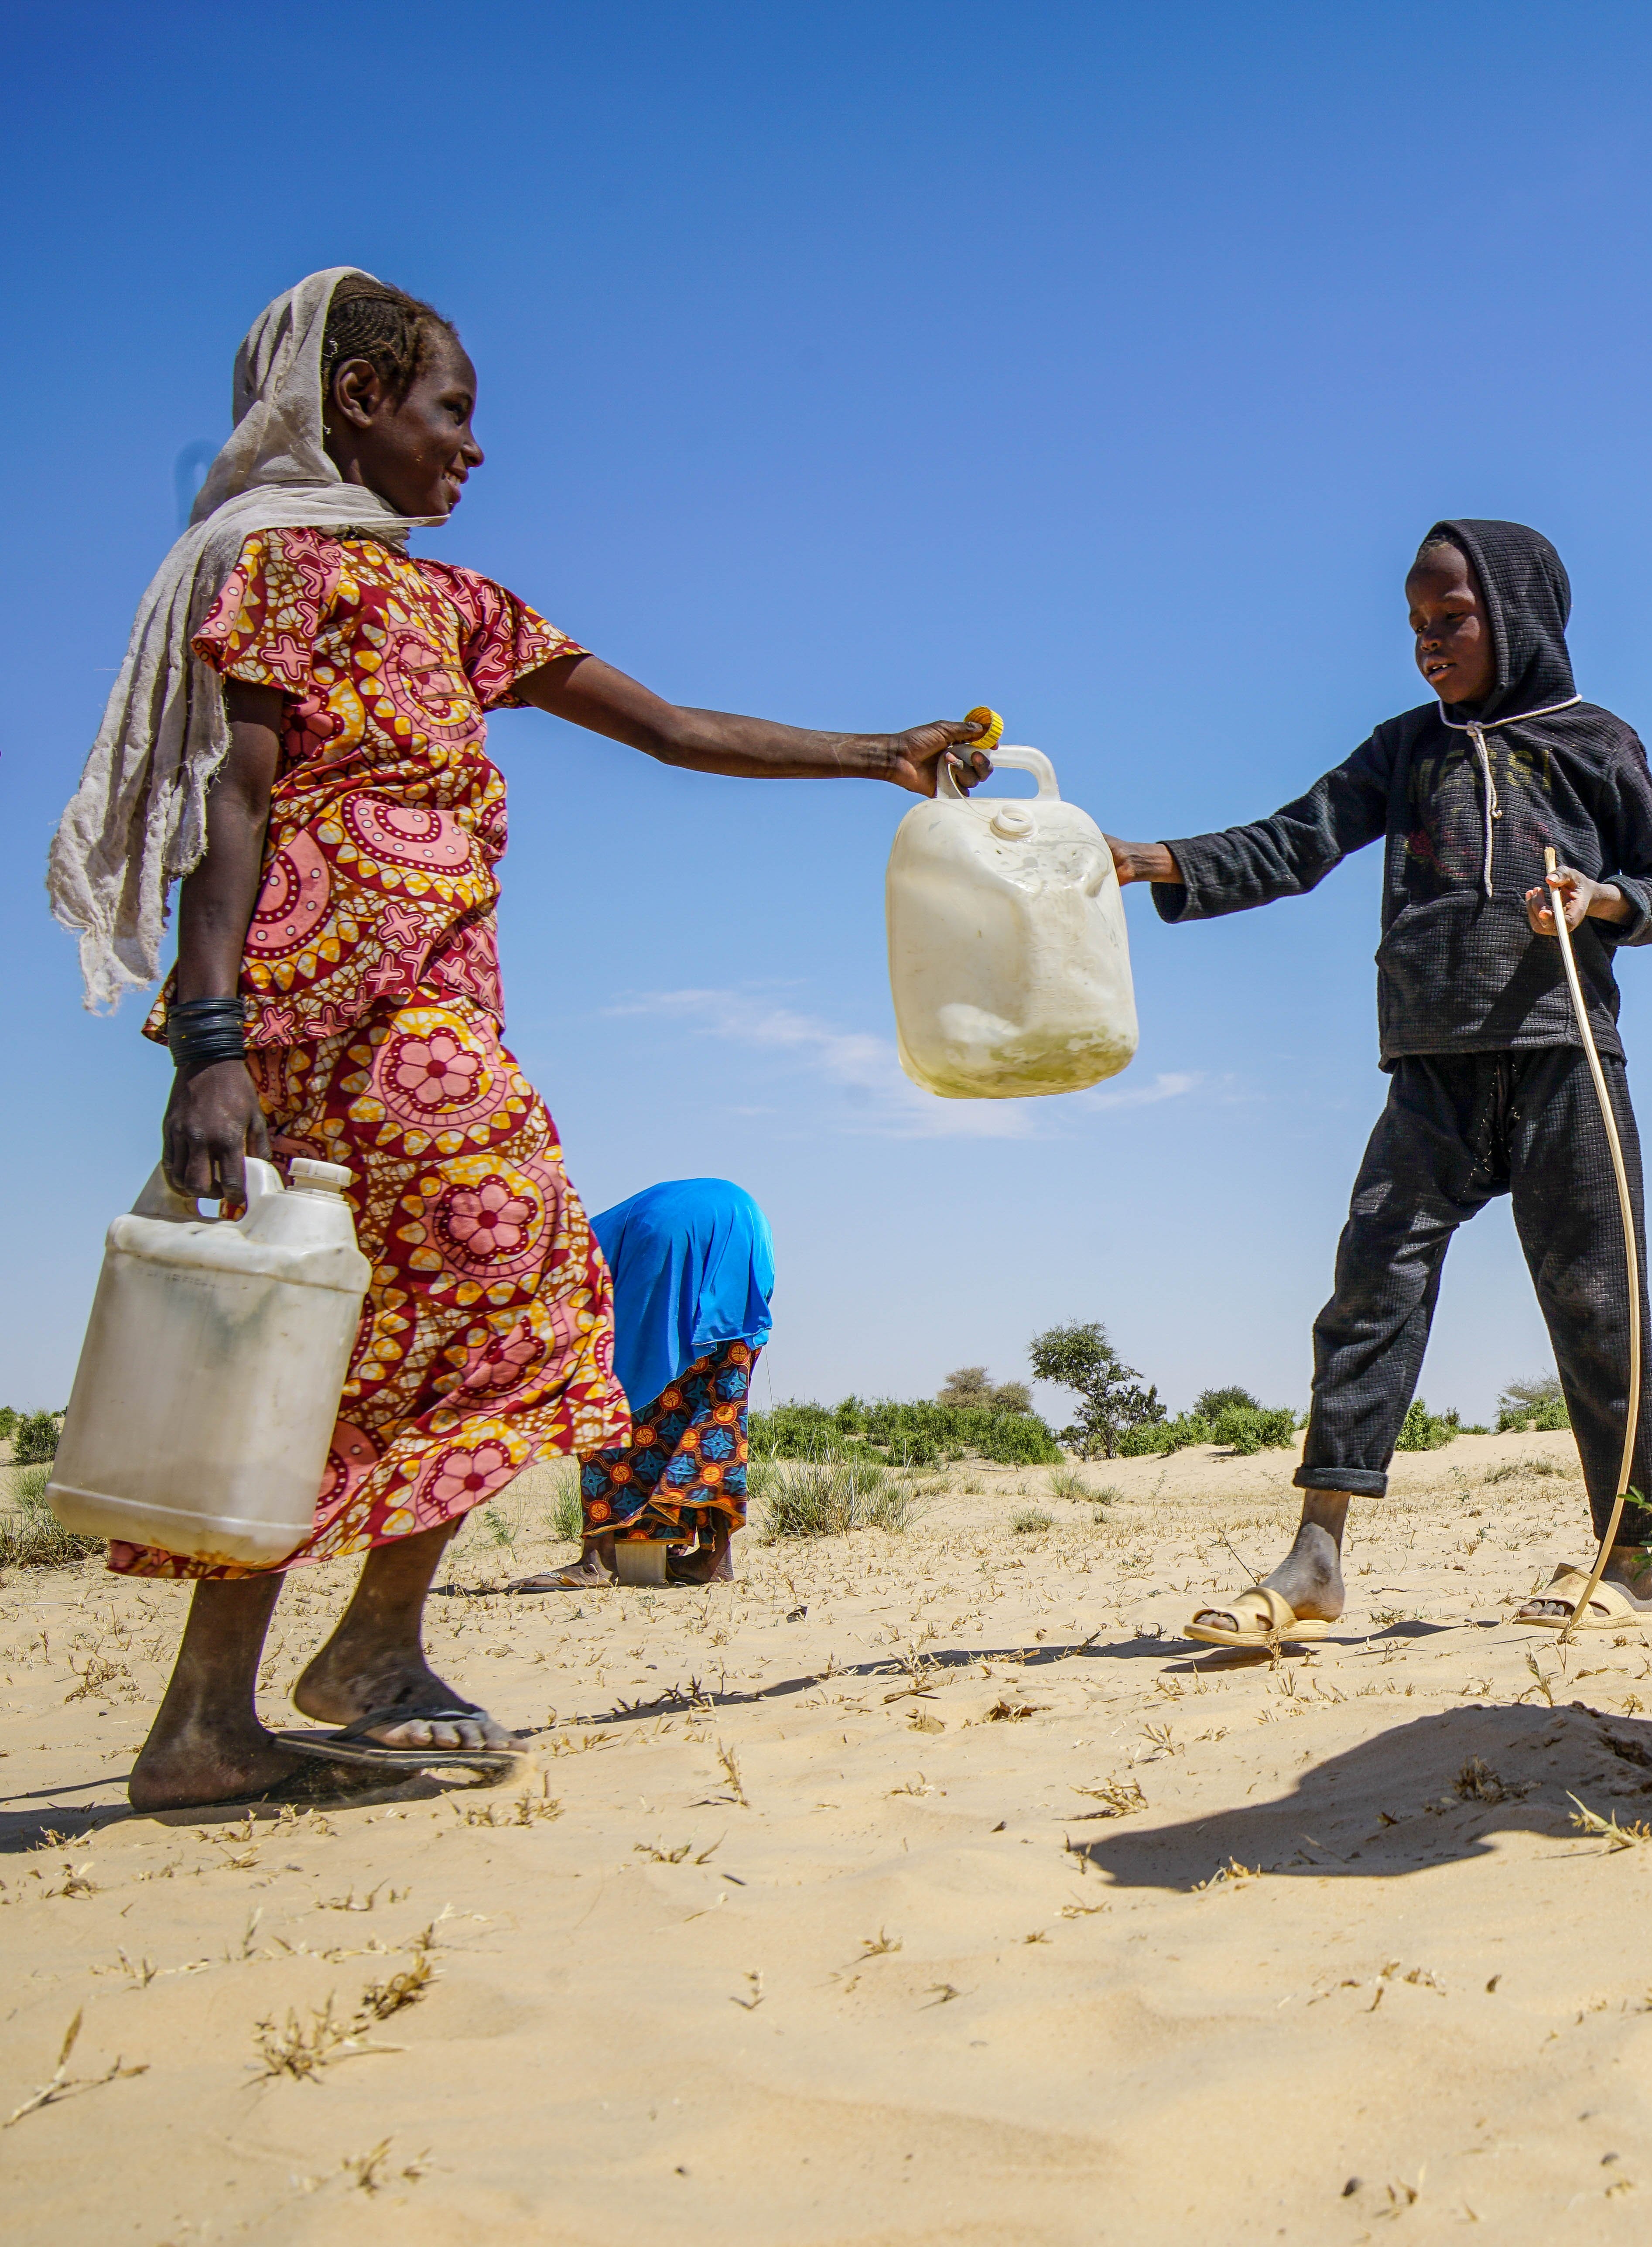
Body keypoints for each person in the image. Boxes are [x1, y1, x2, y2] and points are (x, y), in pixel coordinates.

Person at [45, 272, 988, 1810]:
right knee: (528, 1264)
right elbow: (229, 803)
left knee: (325, 1345)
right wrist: (206, 1042)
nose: (473, 448)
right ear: (358, 403)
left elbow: (675, 730)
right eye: (451, 411)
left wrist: (880, 753)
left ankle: (210, 1721)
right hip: (333, 1018)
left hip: (433, 1009)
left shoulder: (458, 604)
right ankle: (362, 1656)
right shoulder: (283, 574)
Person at [1098, 520, 1652, 1644]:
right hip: (1428, 1064)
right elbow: (1297, 840)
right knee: (1369, 1290)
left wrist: (1600, 899)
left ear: (1518, 614)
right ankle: (1317, 1556)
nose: (1429, 644)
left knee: (1597, 1307)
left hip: (1561, 1053)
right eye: (1417, 626)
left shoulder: (1595, 741)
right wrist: (1151, 860)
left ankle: (1635, 1558)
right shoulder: (1404, 750)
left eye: (1453, 620)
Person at [511, 1179, 776, 1593]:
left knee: (602, 1399)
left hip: (670, 1234)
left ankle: (597, 1560)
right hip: (745, 1231)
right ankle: (713, 1560)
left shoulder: (564, 1264)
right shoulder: (589, 1240)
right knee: (714, 1413)